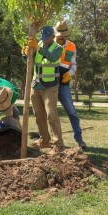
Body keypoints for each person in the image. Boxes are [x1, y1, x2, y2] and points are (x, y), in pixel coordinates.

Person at [24, 25, 65, 150]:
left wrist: (38, 48)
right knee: (39, 115)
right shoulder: (38, 44)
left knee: (51, 115)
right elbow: (30, 61)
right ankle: (44, 140)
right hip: (36, 85)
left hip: (50, 86)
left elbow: (52, 57)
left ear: (53, 36)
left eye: (47, 37)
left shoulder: (58, 48)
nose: (45, 39)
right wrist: (25, 53)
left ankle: (58, 144)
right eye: (43, 37)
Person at [54, 20, 87, 149]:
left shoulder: (72, 46)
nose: (60, 38)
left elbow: (73, 64)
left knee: (72, 112)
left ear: (66, 35)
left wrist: (71, 73)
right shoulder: (50, 44)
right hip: (50, 82)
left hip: (63, 83)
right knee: (50, 113)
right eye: (58, 36)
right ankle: (50, 139)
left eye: (63, 36)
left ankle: (79, 138)